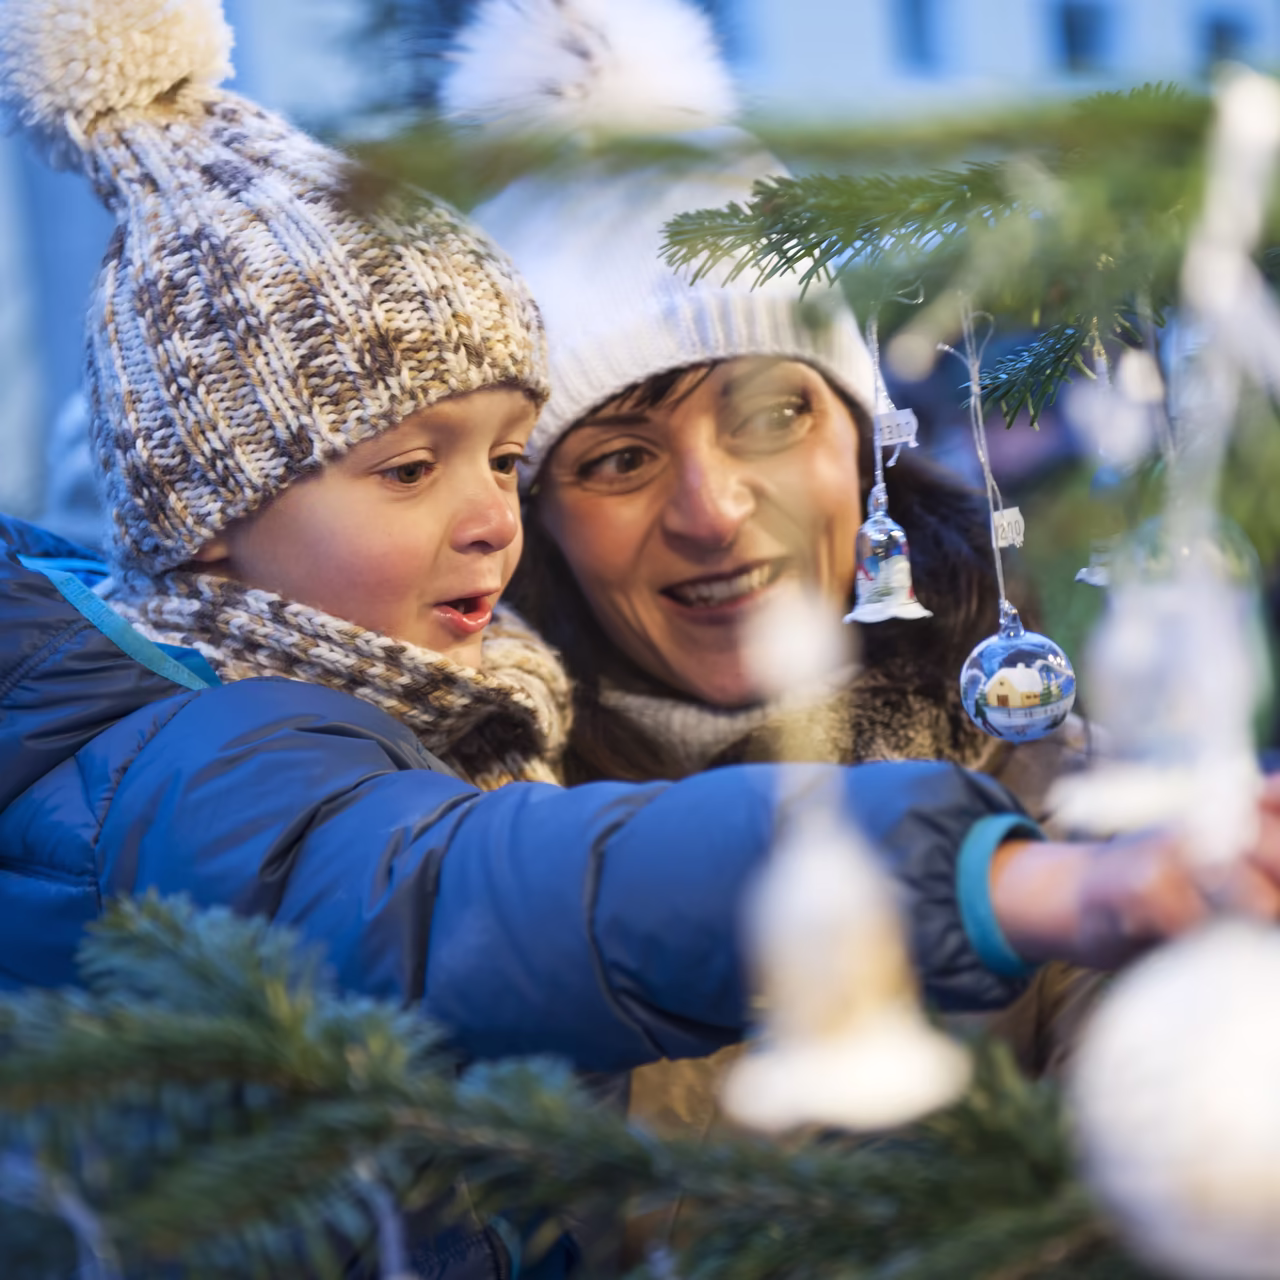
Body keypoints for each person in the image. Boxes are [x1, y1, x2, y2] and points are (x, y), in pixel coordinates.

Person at [3, 2, 1278, 1275]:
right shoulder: (432, 788)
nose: (714, 514)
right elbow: (470, 897)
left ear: (862, 443)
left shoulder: (1086, 799)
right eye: (615, 456)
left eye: (775, 416)